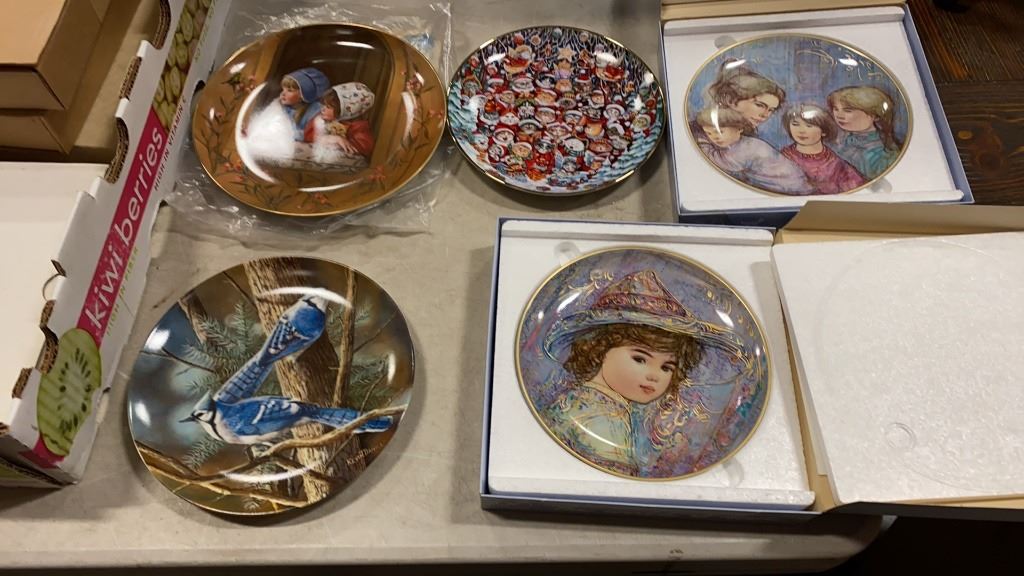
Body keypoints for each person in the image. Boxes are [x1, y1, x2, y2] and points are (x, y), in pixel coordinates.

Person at [541, 270, 720, 476]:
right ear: (600, 349)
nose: (654, 376)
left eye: (666, 367)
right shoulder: (601, 415)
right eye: (640, 359)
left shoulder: (586, 400)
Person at [693, 107, 812, 195]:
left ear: (739, 128)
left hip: (787, 188)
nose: (714, 137)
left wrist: (703, 142)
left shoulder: (747, 149)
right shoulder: (745, 142)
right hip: (793, 183)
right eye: (708, 133)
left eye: (720, 131)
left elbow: (720, 162)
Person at [780, 104, 866, 194]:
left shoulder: (836, 164)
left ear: (824, 131)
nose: (801, 131)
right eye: (795, 124)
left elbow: (858, 190)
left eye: (809, 126)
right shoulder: (783, 158)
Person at [827, 86, 902, 180]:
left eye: (848, 110)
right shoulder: (842, 141)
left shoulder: (883, 156)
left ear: (874, 115)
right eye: (836, 109)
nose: (839, 116)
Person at [704, 59, 786, 132]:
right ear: (730, 100)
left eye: (771, 110)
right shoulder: (708, 131)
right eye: (759, 105)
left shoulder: (745, 136)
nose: (765, 115)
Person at [304, 82, 376, 160]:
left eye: (328, 107)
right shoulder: (321, 119)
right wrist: (329, 138)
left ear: (345, 111)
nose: (323, 109)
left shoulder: (358, 126)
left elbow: (365, 147)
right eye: (323, 105)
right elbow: (308, 135)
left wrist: (342, 141)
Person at [277, 68, 330, 141]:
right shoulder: (279, 107)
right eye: (283, 89)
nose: (283, 93)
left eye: (289, 90)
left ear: (303, 95)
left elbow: (310, 135)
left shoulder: (314, 112)